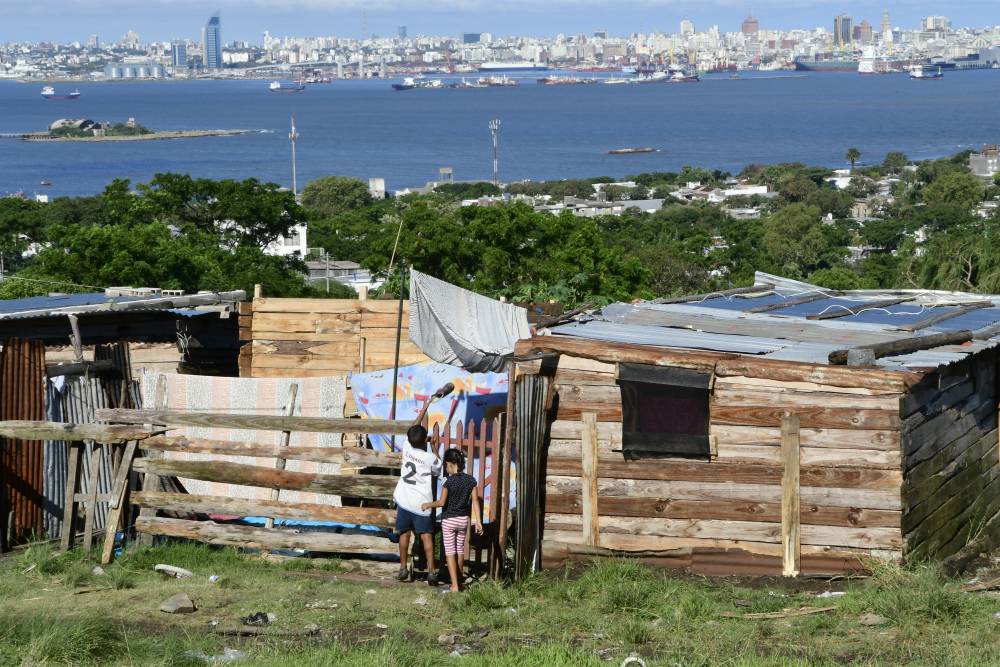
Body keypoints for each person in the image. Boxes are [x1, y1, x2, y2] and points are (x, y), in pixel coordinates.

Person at [394, 394, 442, 585]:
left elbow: (412, 430)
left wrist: (423, 408)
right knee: (426, 537)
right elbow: (439, 468)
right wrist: (435, 447)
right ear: (425, 441)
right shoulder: (430, 458)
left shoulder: (406, 447)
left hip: (404, 500)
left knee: (404, 534)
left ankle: (403, 568)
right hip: (422, 503)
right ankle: (432, 571)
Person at [422, 448, 483, 592]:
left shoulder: (449, 482)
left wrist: (428, 504)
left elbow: (442, 503)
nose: (446, 469)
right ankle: (459, 584)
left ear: (449, 464)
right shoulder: (471, 480)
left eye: (446, 466)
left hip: (449, 520)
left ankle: (454, 586)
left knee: (450, 552)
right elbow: (475, 502)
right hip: (463, 520)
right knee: (459, 551)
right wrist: (478, 521)